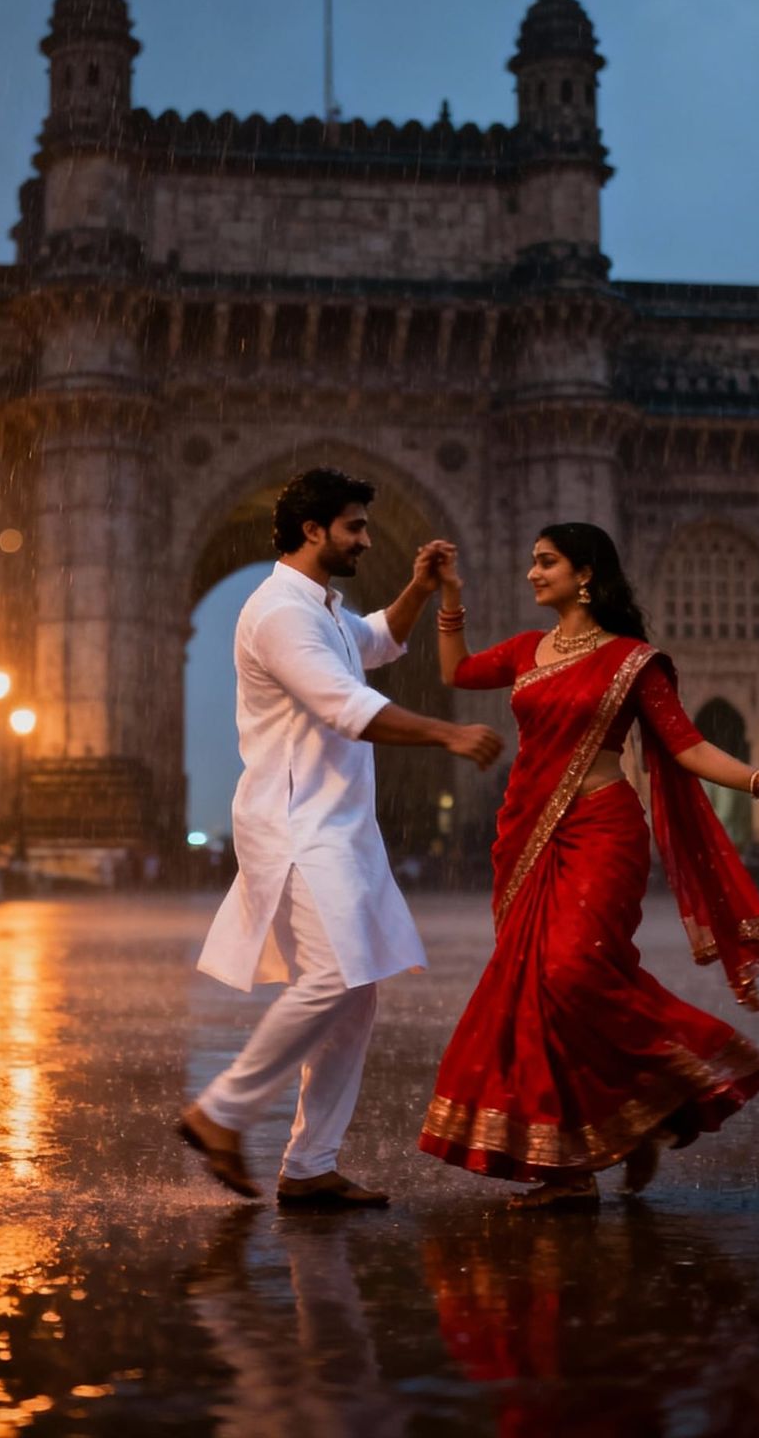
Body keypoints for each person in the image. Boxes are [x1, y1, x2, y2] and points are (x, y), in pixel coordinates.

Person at [416, 523, 759, 1209]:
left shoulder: (635, 661)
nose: (531, 574)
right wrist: (449, 594)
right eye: (530, 562)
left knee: (571, 971)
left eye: (544, 562)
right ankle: (572, 1166)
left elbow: (688, 747)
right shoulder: (525, 651)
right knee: (538, 991)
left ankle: (674, 1089)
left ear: (585, 574)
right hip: (528, 834)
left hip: (603, 830)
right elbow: (455, 672)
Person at [179, 467, 503, 1208]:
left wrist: (419, 587)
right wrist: (446, 733)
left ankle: (310, 1164)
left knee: (355, 993)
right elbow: (343, 704)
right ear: (313, 531)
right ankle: (221, 1113)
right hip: (296, 823)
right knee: (331, 979)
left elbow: (378, 643)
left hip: (336, 822)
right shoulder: (278, 613)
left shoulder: (320, 606)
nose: (365, 538)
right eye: (355, 526)